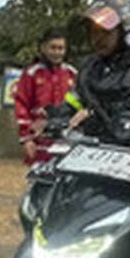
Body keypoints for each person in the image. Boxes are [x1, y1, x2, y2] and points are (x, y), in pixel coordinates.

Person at [65, 0, 130, 139]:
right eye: (93, 32)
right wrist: (54, 116)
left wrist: (97, 114)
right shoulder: (88, 68)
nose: (97, 39)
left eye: (105, 32)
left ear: (125, 29)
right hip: (91, 148)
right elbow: (73, 103)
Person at [14, 28, 76, 165]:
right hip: (40, 140)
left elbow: (80, 105)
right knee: (39, 180)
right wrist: (27, 139)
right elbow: (21, 105)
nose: (57, 52)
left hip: (67, 139)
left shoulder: (72, 74)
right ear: (43, 48)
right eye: (53, 48)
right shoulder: (32, 74)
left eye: (61, 48)